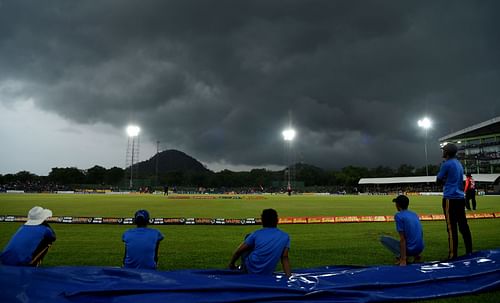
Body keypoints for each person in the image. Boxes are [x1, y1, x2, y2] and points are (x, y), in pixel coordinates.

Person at [229, 208, 291, 277]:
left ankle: (242, 268)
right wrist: (288, 277)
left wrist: (231, 264)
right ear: (277, 220)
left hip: (249, 269)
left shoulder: (256, 234)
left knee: (248, 237)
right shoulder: (285, 236)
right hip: (268, 271)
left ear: (262, 221)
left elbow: (238, 251)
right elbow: (284, 257)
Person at [436, 143, 472, 259]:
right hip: (460, 198)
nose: (442, 152)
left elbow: (438, 180)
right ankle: (469, 252)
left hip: (450, 198)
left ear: (447, 152)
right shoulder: (459, 164)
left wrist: (444, 180)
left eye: (443, 150)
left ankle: (453, 255)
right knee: (463, 226)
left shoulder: (446, 164)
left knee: (451, 227)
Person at [380, 195, 424, 266]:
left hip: (411, 250)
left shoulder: (399, 216)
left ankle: (402, 257)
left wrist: (403, 259)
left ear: (398, 205)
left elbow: (402, 239)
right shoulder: (414, 214)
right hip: (420, 248)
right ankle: (415, 256)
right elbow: (419, 233)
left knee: (383, 239)